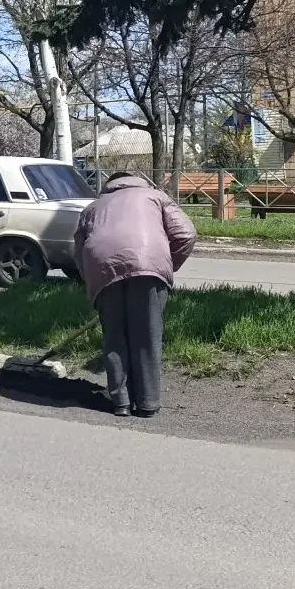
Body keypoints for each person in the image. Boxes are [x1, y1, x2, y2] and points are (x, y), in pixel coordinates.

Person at [72, 171, 198, 418]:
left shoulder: (93, 208)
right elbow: (186, 234)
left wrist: (93, 282)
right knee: (147, 335)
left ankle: (121, 402)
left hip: (103, 269)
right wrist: (165, 265)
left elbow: (78, 252)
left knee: (114, 336)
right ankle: (148, 403)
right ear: (137, 181)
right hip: (149, 267)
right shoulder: (156, 197)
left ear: (109, 186)